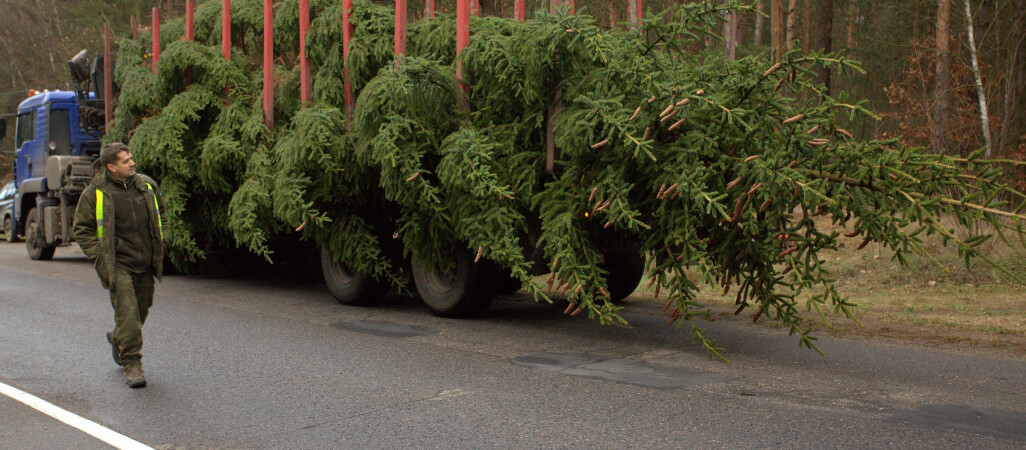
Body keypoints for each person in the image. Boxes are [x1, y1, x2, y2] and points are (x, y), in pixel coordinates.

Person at [74, 142, 166, 388]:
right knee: (128, 316)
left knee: (141, 311)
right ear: (111, 167)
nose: (132, 163)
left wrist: (164, 239)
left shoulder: (145, 186)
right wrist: (99, 257)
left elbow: (162, 215)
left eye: (131, 158)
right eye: (126, 161)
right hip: (118, 265)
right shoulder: (95, 193)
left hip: (145, 263)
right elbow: (82, 230)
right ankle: (132, 365)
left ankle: (118, 338)